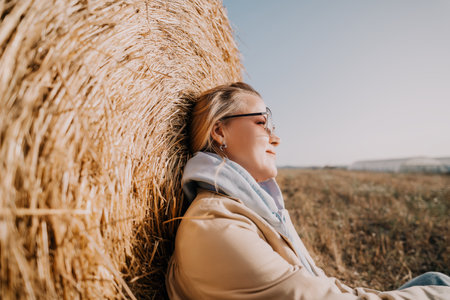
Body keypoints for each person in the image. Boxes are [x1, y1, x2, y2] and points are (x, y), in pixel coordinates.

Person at [165, 82, 450, 299]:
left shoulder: (249, 208)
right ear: (219, 131)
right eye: (262, 123)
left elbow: (320, 284)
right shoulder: (217, 230)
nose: (275, 138)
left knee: (434, 279)